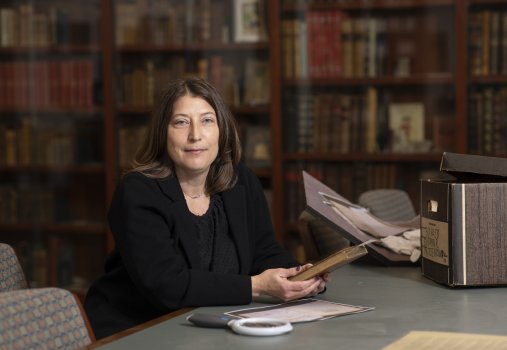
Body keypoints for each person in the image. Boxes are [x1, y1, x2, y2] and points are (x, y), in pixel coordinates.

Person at [84, 78, 328, 339]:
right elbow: (167, 285)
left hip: (208, 327)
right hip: (138, 330)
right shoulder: (138, 192)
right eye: (181, 122)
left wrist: (300, 276)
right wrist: (258, 286)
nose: (195, 135)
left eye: (207, 120)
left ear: (222, 129)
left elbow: (263, 251)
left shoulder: (240, 181)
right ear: (162, 132)